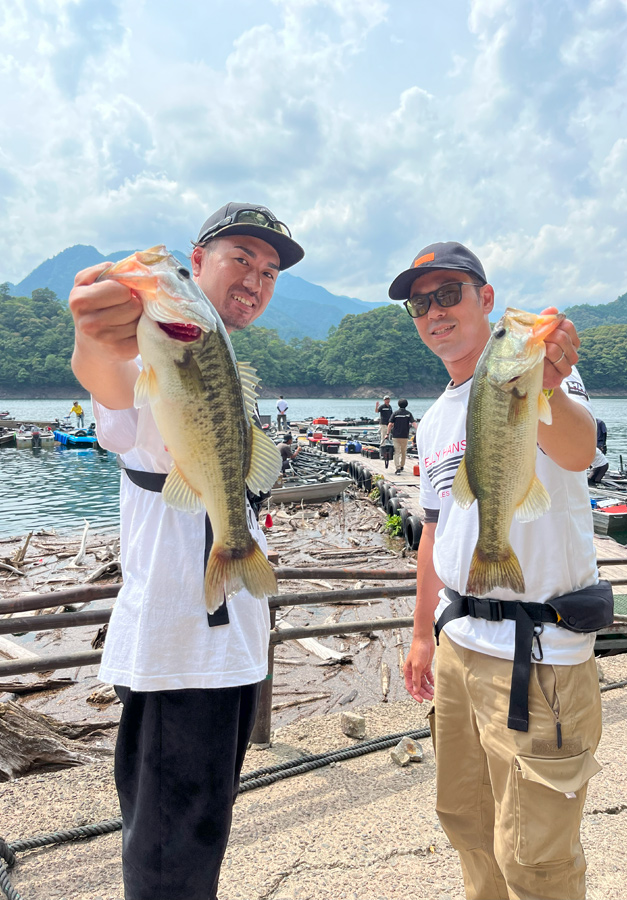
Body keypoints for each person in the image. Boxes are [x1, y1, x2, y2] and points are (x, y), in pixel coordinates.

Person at [68, 202, 304, 900]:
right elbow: (105, 373)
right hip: (179, 653)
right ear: (196, 264)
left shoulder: (222, 359)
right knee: (168, 857)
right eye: (241, 259)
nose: (255, 280)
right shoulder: (153, 346)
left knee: (201, 838)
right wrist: (93, 331)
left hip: (233, 646)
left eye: (269, 272)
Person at [390, 241, 606, 900]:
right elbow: (436, 529)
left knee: (536, 861)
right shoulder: (431, 420)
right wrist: (424, 634)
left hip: (538, 656)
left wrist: (545, 382)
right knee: (467, 823)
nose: (434, 312)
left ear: (485, 300)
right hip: (459, 647)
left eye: (448, 294)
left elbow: (578, 451)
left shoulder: (537, 374)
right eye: (420, 303)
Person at [386, 398, 416, 474]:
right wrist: (418, 431)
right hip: (405, 436)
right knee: (403, 452)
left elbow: (389, 424)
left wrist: (387, 434)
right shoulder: (408, 413)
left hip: (395, 436)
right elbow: (414, 423)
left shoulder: (395, 413)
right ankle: (402, 465)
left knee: (396, 452)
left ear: (398, 404)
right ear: (406, 405)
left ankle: (397, 468)